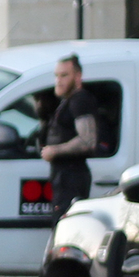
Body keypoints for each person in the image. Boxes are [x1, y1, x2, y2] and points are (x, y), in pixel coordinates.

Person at [37, 53, 101, 219]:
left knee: (66, 225)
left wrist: (54, 151)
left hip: (72, 179)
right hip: (63, 178)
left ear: (78, 76)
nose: (59, 80)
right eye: (57, 76)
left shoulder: (81, 100)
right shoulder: (68, 101)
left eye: (64, 75)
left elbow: (88, 141)